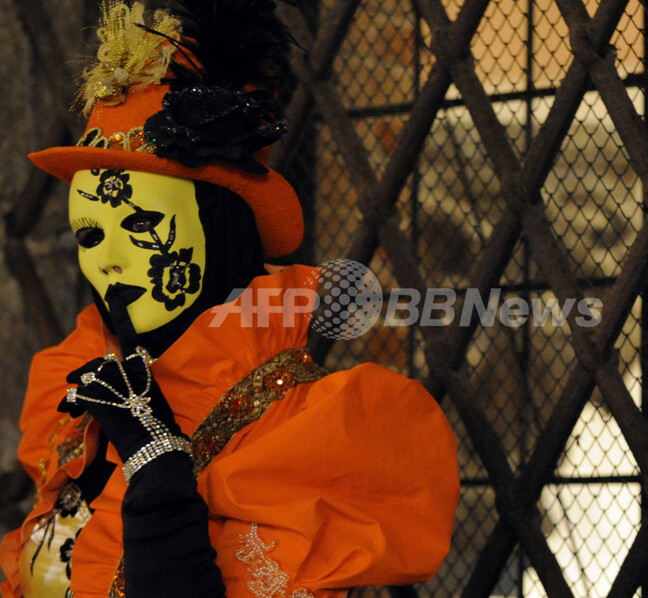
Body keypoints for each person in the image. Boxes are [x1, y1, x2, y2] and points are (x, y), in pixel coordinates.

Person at [0, 1, 460, 597]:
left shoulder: (306, 435)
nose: (108, 259)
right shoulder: (82, 390)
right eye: (89, 235)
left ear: (219, 227)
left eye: (140, 224)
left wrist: (158, 465)